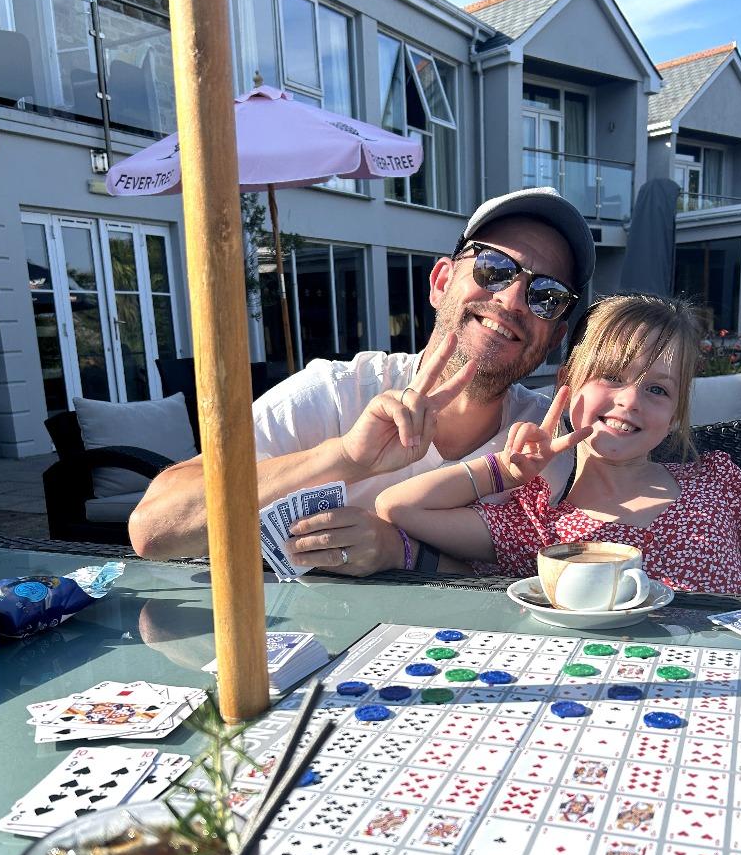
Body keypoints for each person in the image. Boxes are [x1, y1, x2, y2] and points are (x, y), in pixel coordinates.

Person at [128, 186, 596, 573]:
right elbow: (154, 529)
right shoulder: (338, 391)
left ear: (555, 336)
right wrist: (345, 457)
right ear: (440, 282)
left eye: (547, 295)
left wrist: (402, 551)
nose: (513, 299)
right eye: (494, 268)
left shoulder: (554, 442)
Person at [374, 293, 741, 599]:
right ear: (568, 382)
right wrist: (505, 471)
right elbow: (399, 507)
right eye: (613, 377)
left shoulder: (717, 480)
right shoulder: (538, 520)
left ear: (677, 413)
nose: (631, 400)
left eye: (658, 391)